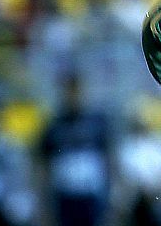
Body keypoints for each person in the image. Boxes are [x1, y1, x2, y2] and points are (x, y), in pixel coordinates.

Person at [36, 74, 112, 226]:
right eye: (69, 91)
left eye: (77, 91)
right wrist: (44, 202)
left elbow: (108, 160)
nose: (73, 96)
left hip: (91, 194)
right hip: (64, 195)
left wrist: (112, 196)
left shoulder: (97, 123)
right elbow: (43, 165)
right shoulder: (54, 125)